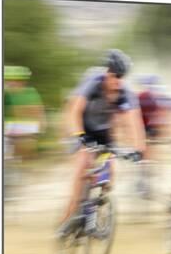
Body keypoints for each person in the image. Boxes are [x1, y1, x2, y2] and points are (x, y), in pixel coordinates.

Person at [57, 49, 146, 235]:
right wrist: (79, 135)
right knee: (84, 162)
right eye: (115, 76)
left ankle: (96, 213)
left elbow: (134, 123)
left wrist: (139, 150)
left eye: (122, 77)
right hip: (83, 126)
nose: (117, 81)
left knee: (109, 171)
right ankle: (70, 213)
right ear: (107, 72)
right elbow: (74, 111)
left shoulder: (125, 93)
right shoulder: (93, 82)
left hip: (104, 132)